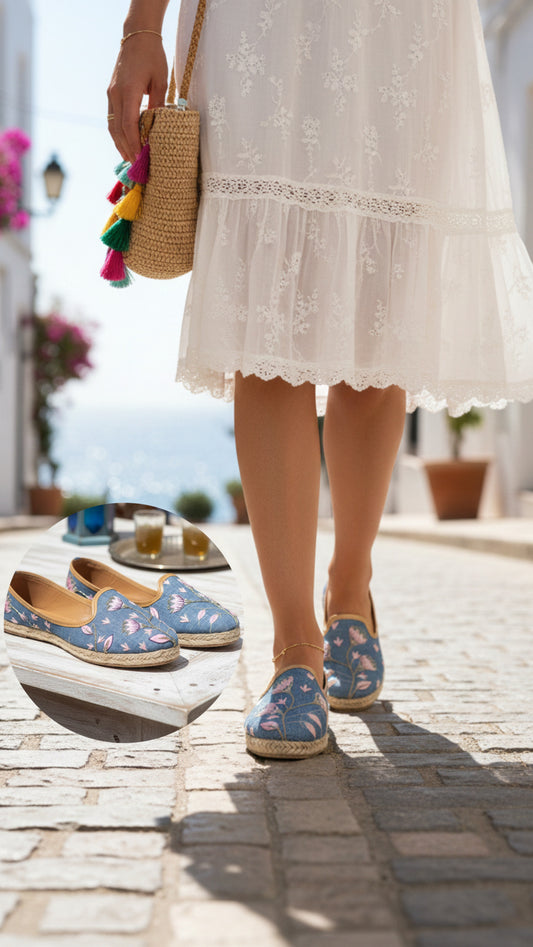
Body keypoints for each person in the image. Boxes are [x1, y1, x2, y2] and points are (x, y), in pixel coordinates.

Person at [107, 0, 533, 759]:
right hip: (263, 24)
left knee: (379, 315)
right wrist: (140, 27)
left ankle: (348, 586)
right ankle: (295, 649)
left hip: (404, 23)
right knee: (263, 317)